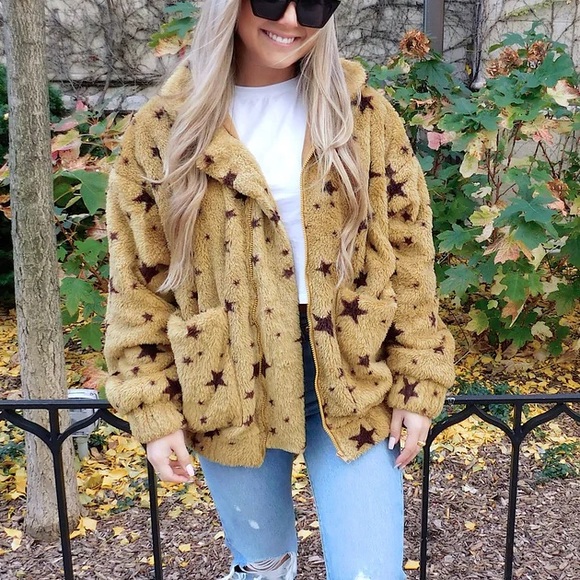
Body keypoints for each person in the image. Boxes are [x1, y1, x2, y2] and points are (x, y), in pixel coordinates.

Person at [104, 1, 455, 578]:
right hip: (230, 375)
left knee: (370, 572)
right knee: (264, 566)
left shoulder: (362, 114)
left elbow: (410, 253)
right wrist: (152, 404)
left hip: (351, 369)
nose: (291, 18)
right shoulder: (163, 128)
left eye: (313, 1)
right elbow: (139, 283)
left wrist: (419, 379)